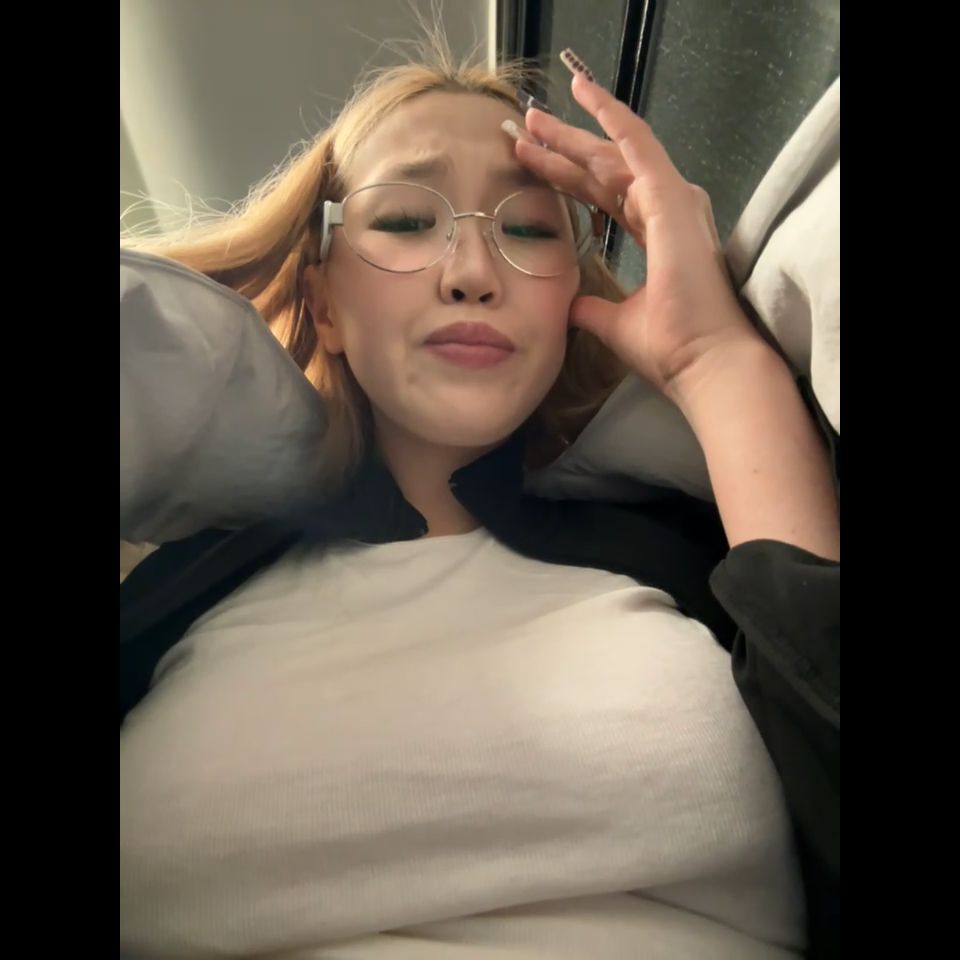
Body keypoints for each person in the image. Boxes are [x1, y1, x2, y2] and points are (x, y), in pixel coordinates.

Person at [120, 37, 840, 960]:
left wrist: (715, 357)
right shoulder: (175, 590)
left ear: (570, 295)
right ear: (325, 303)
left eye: (531, 228)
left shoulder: (694, 557)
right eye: (405, 220)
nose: (472, 271)